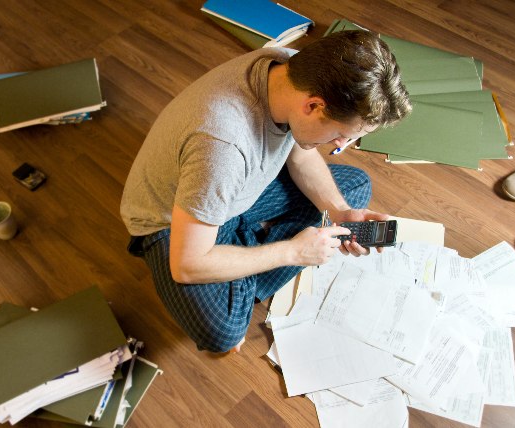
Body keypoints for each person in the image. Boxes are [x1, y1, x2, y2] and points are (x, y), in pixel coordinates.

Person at [120, 29, 411, 353]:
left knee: (354, 189)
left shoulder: (290, 69)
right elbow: (187, 264)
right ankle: (244, 255)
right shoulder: (222, 147)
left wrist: (341, 212)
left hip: (229, 191)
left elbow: (298, 151)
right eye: (342, 135)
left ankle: (240, 259)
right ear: (313, 106)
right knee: (224, 333)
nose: (341, 146)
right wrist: (293, 253)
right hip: (172, 223)